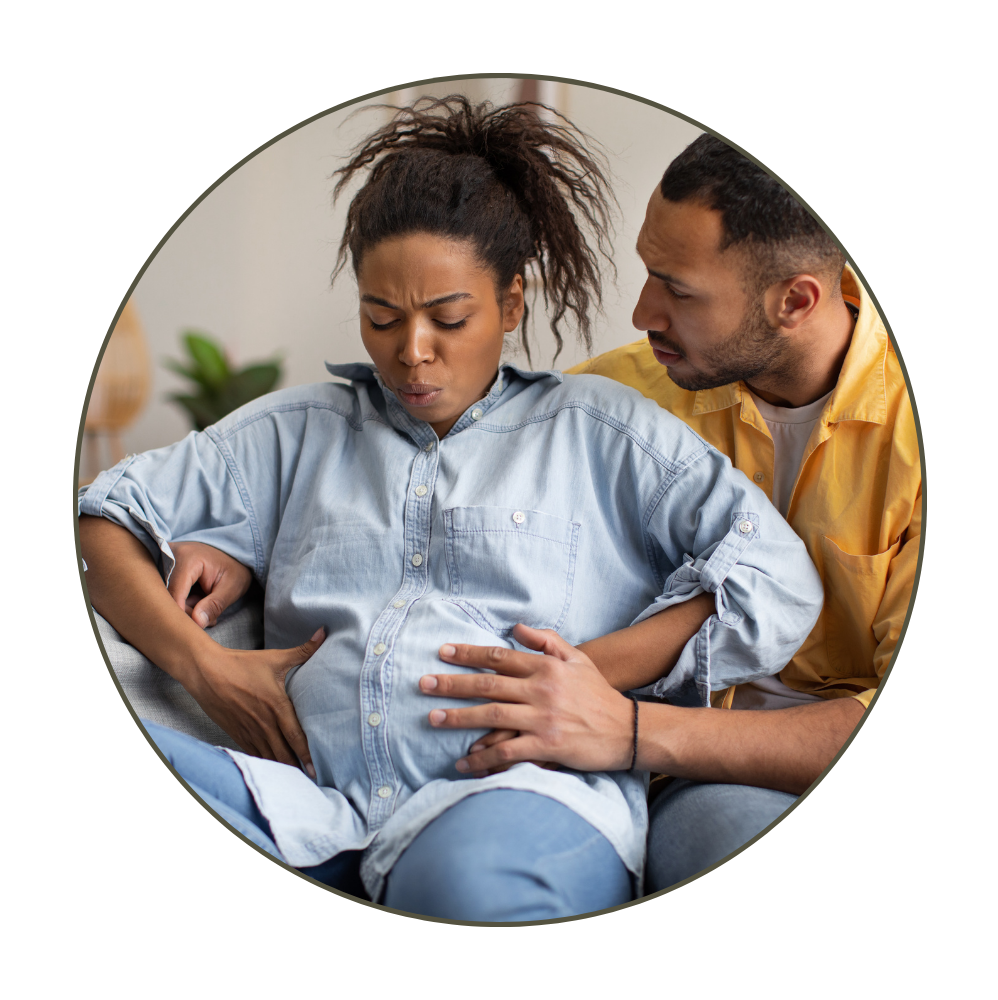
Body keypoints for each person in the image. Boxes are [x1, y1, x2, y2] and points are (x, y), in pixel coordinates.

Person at [79, 98, 824, 921]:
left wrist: (586, 672)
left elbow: (773, 577)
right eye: (381, 317)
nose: (412, 352)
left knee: (464, 888)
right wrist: (202, 665)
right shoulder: (297, 430)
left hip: (518, 796)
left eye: (450, 318)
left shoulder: (604, 430)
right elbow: (105, 514)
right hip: (303, 807)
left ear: (511, 304)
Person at [416, 134, 920, 893]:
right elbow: (425, 496)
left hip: (695, 751)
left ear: (795, 301)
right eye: (649, 271)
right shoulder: (613, 398)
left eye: (678, 290)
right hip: (635, 770)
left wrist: (630, 730)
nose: (642, 312)